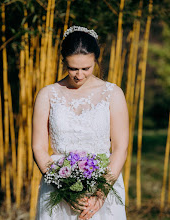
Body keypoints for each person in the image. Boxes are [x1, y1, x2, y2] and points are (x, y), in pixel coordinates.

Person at [32, 26, 129, 220]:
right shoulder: (47, 94)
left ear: (96, 61)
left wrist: (101, 194)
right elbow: (39, 147)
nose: (79, 75)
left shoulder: (113, 93)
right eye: (72, 68)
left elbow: (120, 148)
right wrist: (63, 188)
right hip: (58, 185)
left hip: (103, 181)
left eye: (86, 68)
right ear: (63, 62)